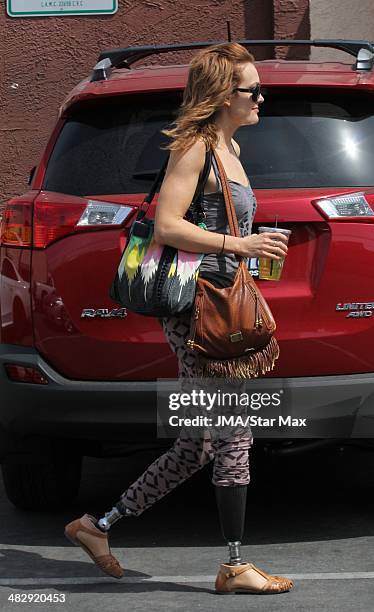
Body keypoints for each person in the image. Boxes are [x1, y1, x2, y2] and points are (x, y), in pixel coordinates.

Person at [64, 42, 292, 595]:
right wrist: (240, 243)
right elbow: (166, 225)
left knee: (197, 445)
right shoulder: (195, 148)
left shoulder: (230, 148)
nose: (261, 96)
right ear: (220, 95)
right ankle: (234, 565)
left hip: (219, 300)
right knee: (234, 436)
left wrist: (249, 253)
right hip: (199, 311)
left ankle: (98, 527)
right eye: (251, 89)